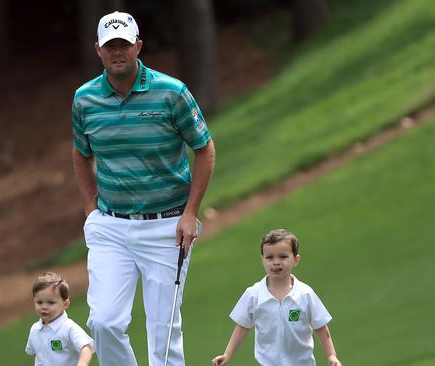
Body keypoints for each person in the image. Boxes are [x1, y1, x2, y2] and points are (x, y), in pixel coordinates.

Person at [71, 10, 215, 366]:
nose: (117, 52)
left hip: (167, 225)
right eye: (109, 46)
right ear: (98, 51)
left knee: (164, 332)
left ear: (138, 46)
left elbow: (204, 148)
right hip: (111, 224)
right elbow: (80, 153)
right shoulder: (84, 99)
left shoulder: (172, 92)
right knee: (103, 322)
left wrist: (190, 213)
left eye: (123, 44)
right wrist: (91, 210)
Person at [212, 229, 342, 366]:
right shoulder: (254, 294)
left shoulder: (305, 294)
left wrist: (332, 355)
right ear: (262, 260)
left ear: (296, 260)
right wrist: (227, 354)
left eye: (283, 257)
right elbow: (243, 326)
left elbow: (320, 326)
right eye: (270, 257)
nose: (276, 262)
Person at [25, 272, 95, 366]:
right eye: (39, 302)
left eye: (51, 302)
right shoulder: (35, 330)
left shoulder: (68, 328)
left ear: (65, 304)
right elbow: (35, 353)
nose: (44, 307)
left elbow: (86, 348)